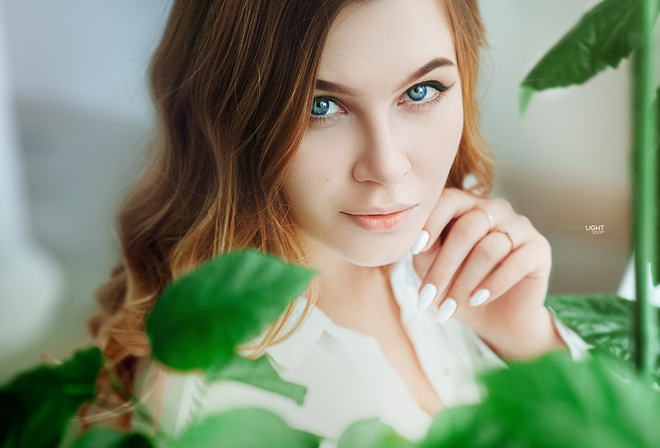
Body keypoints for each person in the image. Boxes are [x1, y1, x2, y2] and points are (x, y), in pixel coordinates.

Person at [86, 0, 589, 444]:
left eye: (420, 92)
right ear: (231, 116)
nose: (388, 166)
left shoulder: (456, 238)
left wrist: (532, 342)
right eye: (320, 106)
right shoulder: (222, 403)